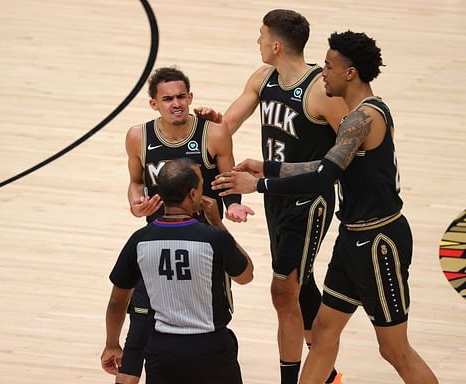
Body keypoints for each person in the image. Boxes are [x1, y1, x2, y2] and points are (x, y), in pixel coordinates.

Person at [212, 30, 439, 384]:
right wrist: (267, 166)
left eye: (329, 67)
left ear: (350, 73)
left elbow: (323, 175)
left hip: (379, 240)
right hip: (352, 238)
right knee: (322, 332)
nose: (322, 74)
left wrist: (259, 184)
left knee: (394, 350)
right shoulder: (356, 118)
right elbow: (323, 164)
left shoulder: (364, 119)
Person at [196, 9, 347, 384]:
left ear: (276, 45)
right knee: (301, 281)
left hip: (309, 200)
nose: (258, 41)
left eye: (261, 35)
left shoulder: (320, 91)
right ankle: (325, 374)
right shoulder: (263, 78)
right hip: (274, 196)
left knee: (283, 290)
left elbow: (345, 156)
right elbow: (227, 124)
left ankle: (295, 379)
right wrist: (210, 124)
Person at [118, 66, 255, 384]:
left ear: (191, 97)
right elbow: (136, 182)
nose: (176, 103)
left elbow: (228, 178)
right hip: (159, 236)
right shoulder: (138, 136)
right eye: (167, 99)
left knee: (211, 310)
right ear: (154, 104)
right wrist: (136, 205)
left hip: (204, 237)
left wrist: (233, 204)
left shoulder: (214, 133)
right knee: (141, 312)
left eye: (181, 96)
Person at [101, 157, 254, 384]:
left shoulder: (139, 240)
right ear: (193, 194)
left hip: (162, 350)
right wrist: (217, 223)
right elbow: (245, 275)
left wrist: (112, 344)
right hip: (211, 348)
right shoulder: (213, 238)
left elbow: (116, 302)